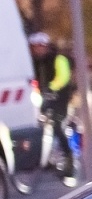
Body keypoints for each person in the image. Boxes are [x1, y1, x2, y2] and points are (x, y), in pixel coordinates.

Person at [28, 33, 76, 186]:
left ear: (45, 46)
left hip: (60, 99)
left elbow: (63, 77)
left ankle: (69, 158)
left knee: (57, 125)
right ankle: (46, 157)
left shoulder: (58, 59)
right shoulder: (34, 62)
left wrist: (51, 88)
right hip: (43, 99)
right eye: (34, 47)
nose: (36, 50)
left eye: (39, 46)